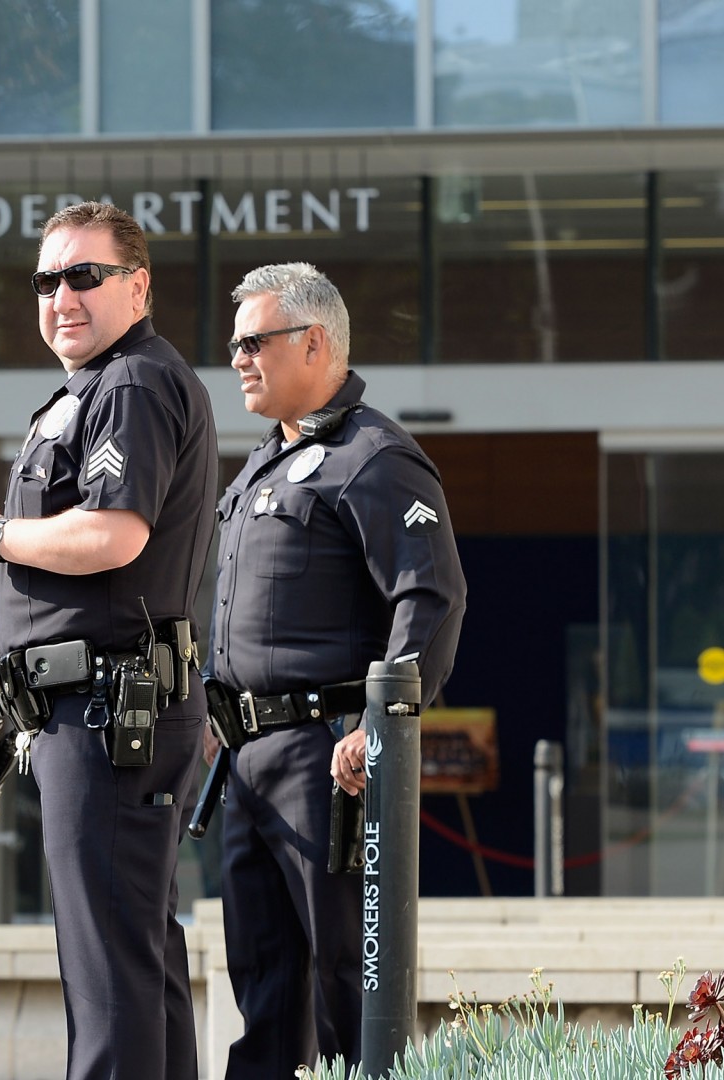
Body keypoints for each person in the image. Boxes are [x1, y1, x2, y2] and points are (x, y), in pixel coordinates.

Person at [0, 201, 217, 1080]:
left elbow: (112, 534)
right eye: (45, 280)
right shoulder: (94, 389)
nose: (61, 296)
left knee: (107, 973)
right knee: (132, 953)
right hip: (99, 707)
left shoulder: (129, 383)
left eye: (83, 276)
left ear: (138, 287)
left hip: (107, 711)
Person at [205, 262, 466, 1078]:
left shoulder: (374, 457)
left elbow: (432, 597)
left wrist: (379, 730)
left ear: (314, 342)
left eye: (255, 341)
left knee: (347, 986)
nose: (239, 359)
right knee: (263, 986)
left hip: (328, 761)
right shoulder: (263, 462)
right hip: (248, 758)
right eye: (235, 344)